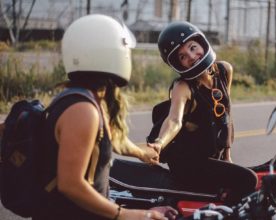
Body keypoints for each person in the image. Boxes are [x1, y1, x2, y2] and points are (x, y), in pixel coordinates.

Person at [31, 14, 177, 220]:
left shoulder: (85, 98)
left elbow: (111, 137)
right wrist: (126, 214)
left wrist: (141, 153)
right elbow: (70, 184)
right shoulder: (82, 110)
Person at [148, 21, 258, 204]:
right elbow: (174, 120)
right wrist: (159, 143)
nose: (191, 56)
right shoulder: (183, 87)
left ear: (202, 43)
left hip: (212, 157)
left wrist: (227, 156)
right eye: (182, 56)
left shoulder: (224, 70)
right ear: (178, 64)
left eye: (193, 47)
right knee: (249, 180)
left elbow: (226, 115)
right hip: (190, 163)